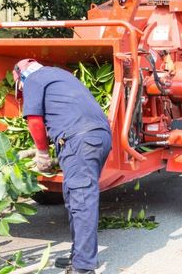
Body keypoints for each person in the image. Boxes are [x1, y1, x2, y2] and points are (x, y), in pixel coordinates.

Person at [13, 59, 112, 274]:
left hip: (80, 140)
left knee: (81, 201)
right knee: (74, 198)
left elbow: (35, 120)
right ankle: (79, 257)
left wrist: (42, 152)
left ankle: (83, 268)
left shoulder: (33, 79)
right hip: (97, 137)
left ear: (21, 76)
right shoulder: (60, 75)